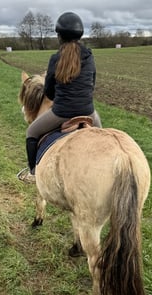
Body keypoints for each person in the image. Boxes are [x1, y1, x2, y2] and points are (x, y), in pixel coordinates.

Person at [18, 11, 102, 183]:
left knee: (31, 132)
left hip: (61, 112)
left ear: (59, 36)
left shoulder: (56, 59)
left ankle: (34, 172)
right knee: (102, 135)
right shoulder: (89, 56)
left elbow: (49, 92)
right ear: (80, 35)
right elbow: (92, 84)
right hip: (88, 111)